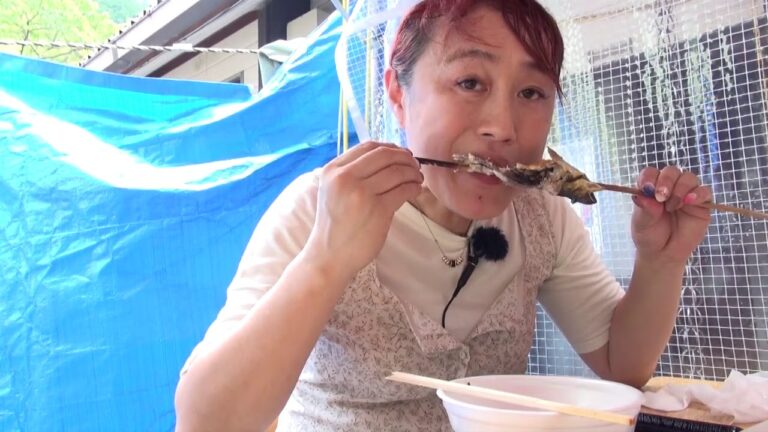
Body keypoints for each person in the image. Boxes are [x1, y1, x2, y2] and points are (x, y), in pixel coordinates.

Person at [174, 0, 712, 430]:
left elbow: (622, 366)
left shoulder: (542, 217)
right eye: (470, 82)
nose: (503, 126)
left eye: (531, 92)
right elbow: (207, 422)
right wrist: (327, 260)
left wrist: (660, 262)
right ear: (397, 94)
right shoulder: (321, 207)